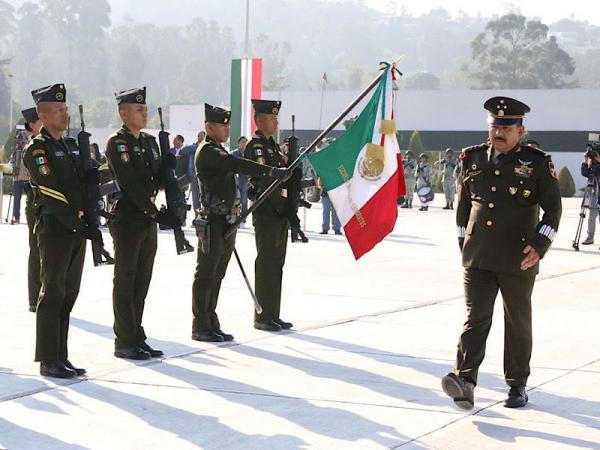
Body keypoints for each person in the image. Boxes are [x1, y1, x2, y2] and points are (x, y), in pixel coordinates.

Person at [441, 96, 562, 410]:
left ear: (520, 130)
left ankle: (517, 384)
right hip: (478, 255)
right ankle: (464, 380)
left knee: (517, 321)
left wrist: (539, 246)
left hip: (518, 256)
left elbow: (554, 211)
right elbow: (464, 206)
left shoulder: (536, 162)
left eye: (507, 127)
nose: (499, 131)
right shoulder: (473, 158)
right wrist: (462, 243)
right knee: (475, 318)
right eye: (495, 125)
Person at [191, 104, 288, 342]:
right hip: (212, 220)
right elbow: (237, 165)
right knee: (206, 274)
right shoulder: (208, 151)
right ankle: (200, 325)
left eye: (228, 125)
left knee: (217, 274)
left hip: (226, 219)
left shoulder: (219, 150)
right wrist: (271, 171)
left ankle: (211, 323)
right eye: (222, 125)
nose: (226, 129)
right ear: (208, 127)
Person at [23, 83, 100, 378]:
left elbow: (82, 185)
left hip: (76, 228)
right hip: (55, 228)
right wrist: (76, 221)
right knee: (52, 291)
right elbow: (50, 190)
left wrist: (95, 175)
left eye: (65, 109)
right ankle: (47, 358)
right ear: (43, 114)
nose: (64, 114)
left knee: (69, 292)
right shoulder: (38, 149)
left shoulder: (70, 147)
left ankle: (61, 355)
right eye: (57, 110)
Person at [105, 86, 180, 360]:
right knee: (126, 280)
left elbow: (154, 182)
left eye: (145, 108)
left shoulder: (148, 142)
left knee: (142, 281)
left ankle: (136, 335)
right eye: (138, 109)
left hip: (147, 219)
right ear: (124, 114)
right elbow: (131, 184)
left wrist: (167, 168)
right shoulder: (118, 143)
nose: (144, 113)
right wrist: (155, 213)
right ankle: (124, 340)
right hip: (129, 217)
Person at [244, 99, 294, 332]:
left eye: (276, 118)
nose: (275, 122)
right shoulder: (256, 147)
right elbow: (262, 178)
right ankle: (262, 315)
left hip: (279, 212)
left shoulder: (272, 146)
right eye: (271, 118)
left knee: (277, 263)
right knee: (266, 262)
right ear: (259, 120)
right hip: (265, 211)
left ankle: (274, 313)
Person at [21, 107, 43, 312]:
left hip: (46, 204)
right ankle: (34, 297)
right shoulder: (31, 147)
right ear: (33, 125)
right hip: (35, 203)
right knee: (36, 249)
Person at [179, 130, 206, 214]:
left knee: (204, 197)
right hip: (194, 176)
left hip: (204, 177)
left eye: (201, 136)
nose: (200, 138)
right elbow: (183, 151)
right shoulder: (193, 147)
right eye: (198, 136)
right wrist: (197, 147)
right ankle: (197, 215)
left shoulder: (207, 148)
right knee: (195, 197)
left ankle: (204, 215)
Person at [580, 150, 600, 245]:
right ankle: (590, 237)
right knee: (591, 216)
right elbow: (585, 173)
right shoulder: (593, 164)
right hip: (593, 192)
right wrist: (585, 160)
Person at [231, 136, 249, 224]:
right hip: (235, 180)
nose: (244, 144)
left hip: (245, 180)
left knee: (244, 200)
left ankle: (243, 217)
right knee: (236, 199)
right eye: (242, 142)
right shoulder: (234, 154)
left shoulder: (248, 154)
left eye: (245, 142)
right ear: (238, 144)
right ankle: (236, 217)